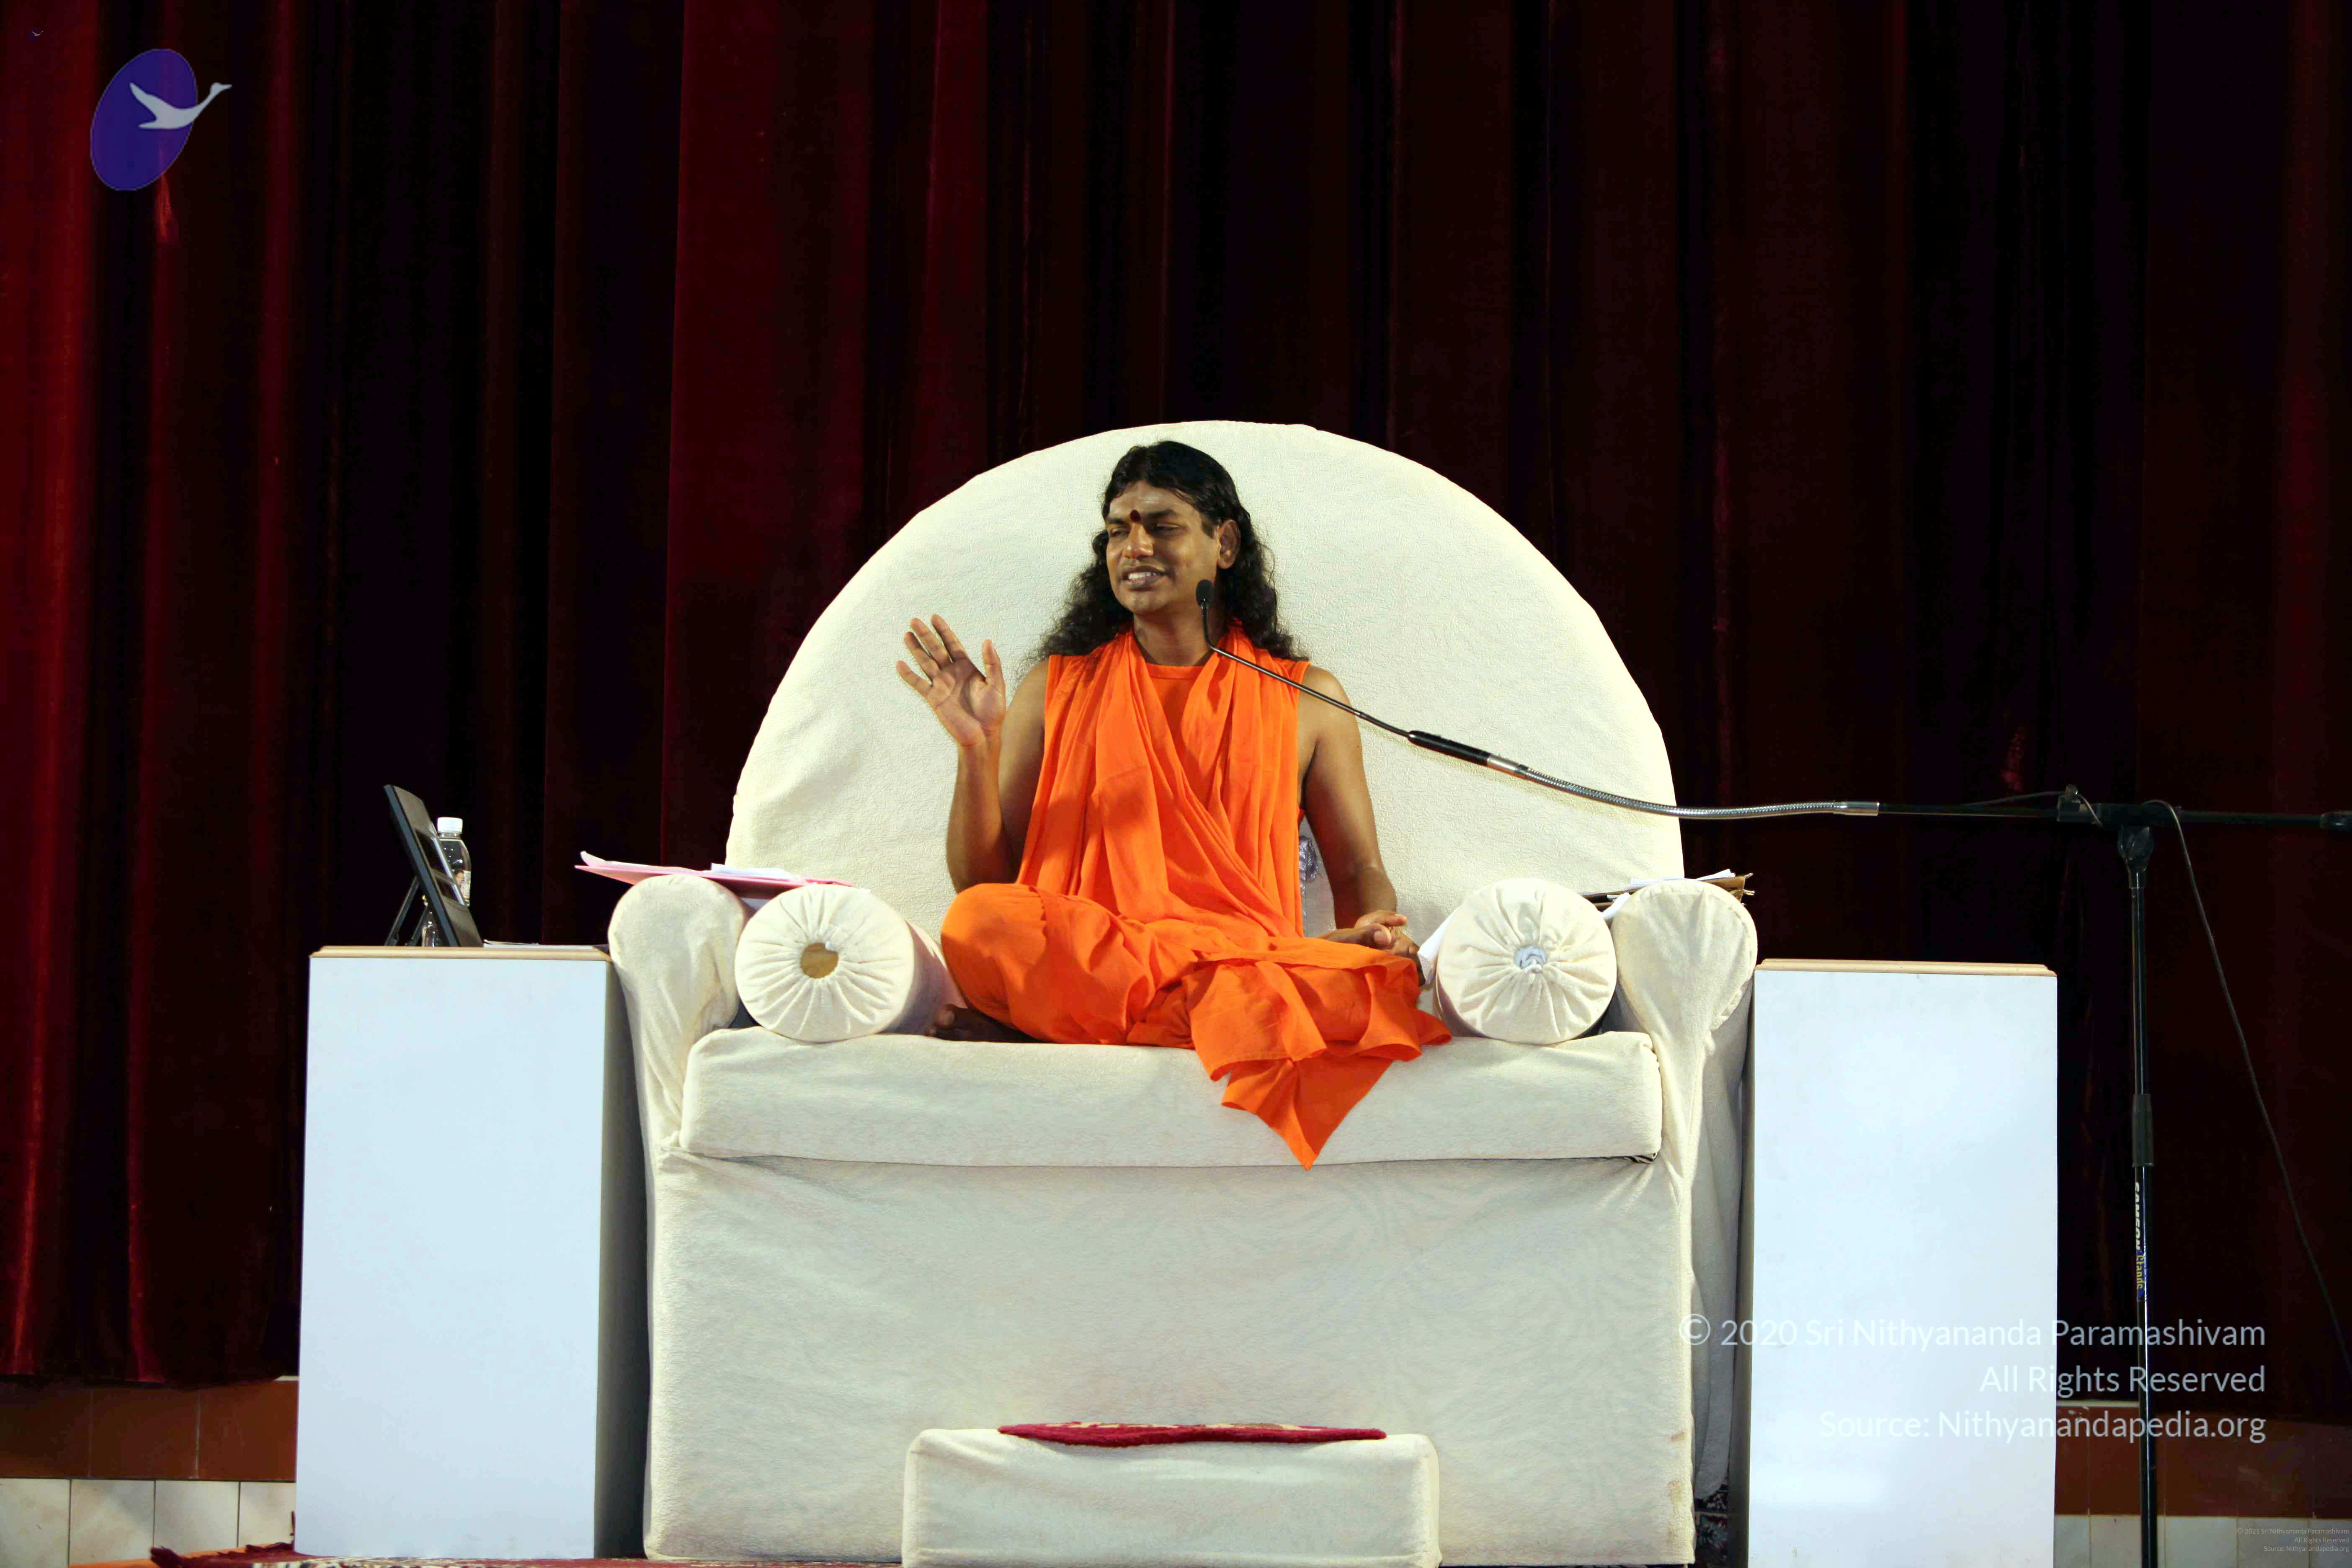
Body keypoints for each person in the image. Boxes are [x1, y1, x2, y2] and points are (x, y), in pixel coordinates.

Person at [892, 441, 1448, 1167]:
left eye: (1162, 525)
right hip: (1131, 962)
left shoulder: (1308, 698)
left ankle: (1063, 1033)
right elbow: (983, 882)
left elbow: (1358, 869)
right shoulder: (1054, 689)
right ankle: (1239, 1001)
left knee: (1385, 977)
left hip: (1212, 973)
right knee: (978, 924)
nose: (1135, 547)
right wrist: (977, 749)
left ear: (1225, 544)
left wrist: (1375, 925)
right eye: (1117, 530)